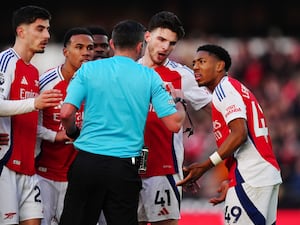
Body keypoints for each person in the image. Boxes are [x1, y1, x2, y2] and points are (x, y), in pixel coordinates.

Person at [58, 19, 186, 225]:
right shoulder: (150, 76)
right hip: (124, 166)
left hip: (88, 162)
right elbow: (174, 124)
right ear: (139, 46)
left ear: (111, 44)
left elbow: (65, 113)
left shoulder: (88, 70)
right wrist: (178, 101)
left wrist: (73, 132)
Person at [176, 44, 282, 225]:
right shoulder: (233, 88)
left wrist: (205, 166)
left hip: (251, 176)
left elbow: (240, 133)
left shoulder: (224, 90)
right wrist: (231, 179)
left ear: (219, 66)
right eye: (194, 63)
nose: (195, 67)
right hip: (259, 174)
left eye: (202, 62)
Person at [137, 11, 212, 225]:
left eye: (171, 43)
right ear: (147, 36)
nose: (165, 48)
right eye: (161, 39)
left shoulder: (182, 75)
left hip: (165, 170)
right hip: (128, 169)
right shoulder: (128, 70)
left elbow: (215, 109)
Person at [0, 5, 62, 225]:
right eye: (40, 28)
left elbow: (27, 119)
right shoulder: (6, 61)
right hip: (6, 165)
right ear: (21, 31)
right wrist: (34, 103)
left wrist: (55, 136)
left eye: (47, 29)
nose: (46, 35)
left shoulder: (34, 71)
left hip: (28, 167)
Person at [36, 27, 94, 225]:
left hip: (77, 178)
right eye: (79, 47)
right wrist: (55, 136)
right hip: (44, 174)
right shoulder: (47, 82)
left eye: (89, 48)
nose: (86, 52)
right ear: (65, 51)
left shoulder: (97, 86)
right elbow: (29, 124)